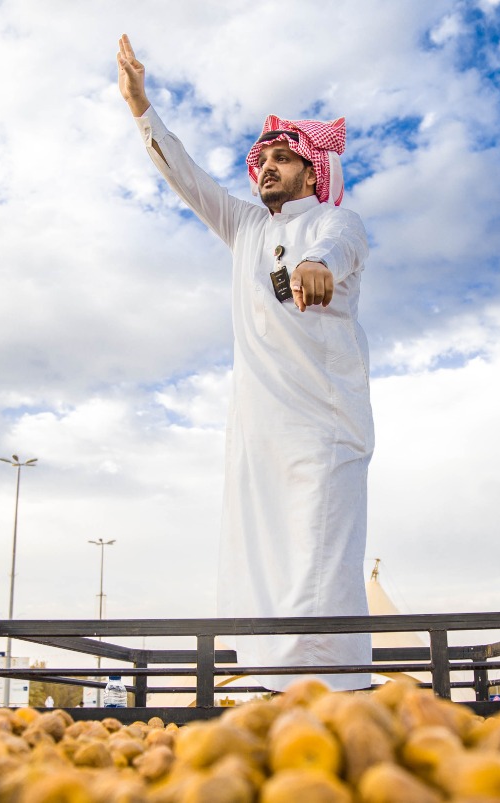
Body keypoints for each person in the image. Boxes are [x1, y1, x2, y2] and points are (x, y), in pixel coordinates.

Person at [117, 35, 374, 691]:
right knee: (264, 559)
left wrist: (318, 268)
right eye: (263, 159)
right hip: (259, 430)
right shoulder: (246, 229)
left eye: (284, 159)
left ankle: (325, 693)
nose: (267, 167)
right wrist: (142, 109)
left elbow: (337, 249)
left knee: (320, 559)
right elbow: (188, 177)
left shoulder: (333, 225)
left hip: (324, 425)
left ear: (313, 173)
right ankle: (273, 685)